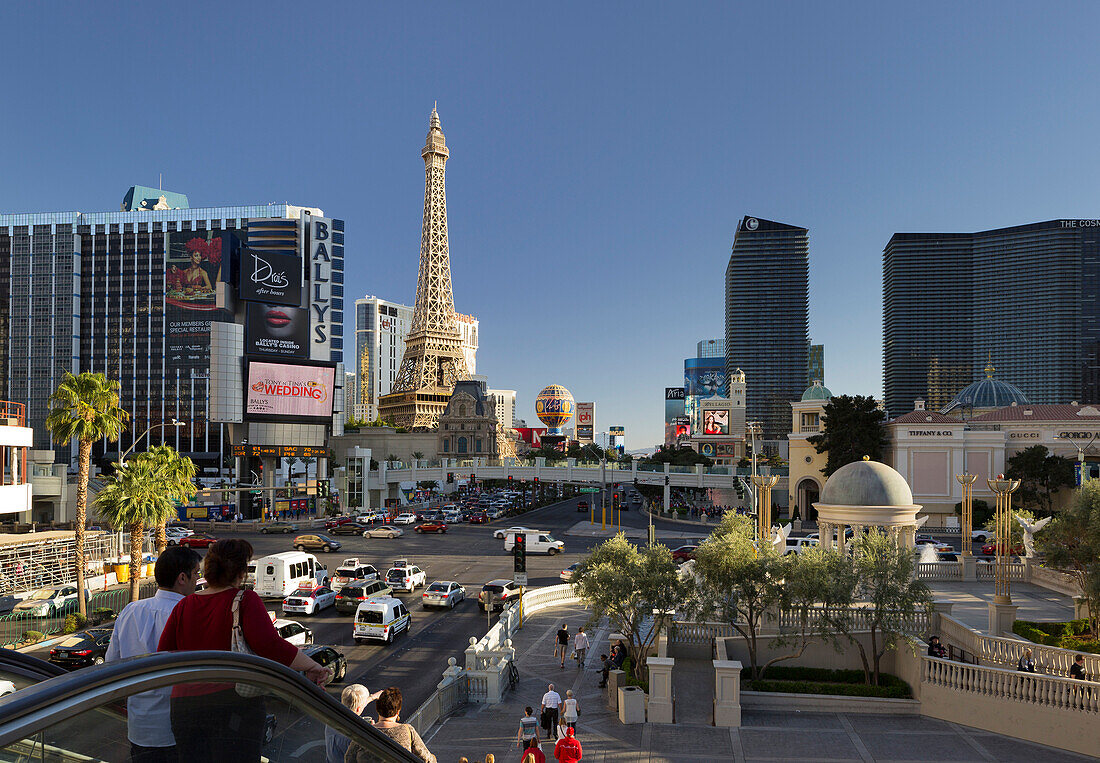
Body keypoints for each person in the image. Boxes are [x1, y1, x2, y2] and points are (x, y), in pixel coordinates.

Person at [158, 539, 330, 762]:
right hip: (232, 705)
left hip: (184, 708)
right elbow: (271, 646)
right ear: (240, 572)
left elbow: (164, 654)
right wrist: (312, 666)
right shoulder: (244, 600)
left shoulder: (184, 605)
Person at [105, 545, 202, 763]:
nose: (198, 579)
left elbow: (111, 664)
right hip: (179, 731)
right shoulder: (189, 615)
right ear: (182, 578)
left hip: (140, 729)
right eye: (197, 573)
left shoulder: (131, 611)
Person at [345, 686, 436, 762]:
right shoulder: (408, 731)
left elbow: (349, 758)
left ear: (377, 710)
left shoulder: (364, 732)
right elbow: (427, 759)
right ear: (398, 712)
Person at [325, 684, 381, 763]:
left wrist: (372, 697)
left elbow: (353, 703)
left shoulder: (332, 718)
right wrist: (371, 733)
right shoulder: (357, 735)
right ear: (359, 708)